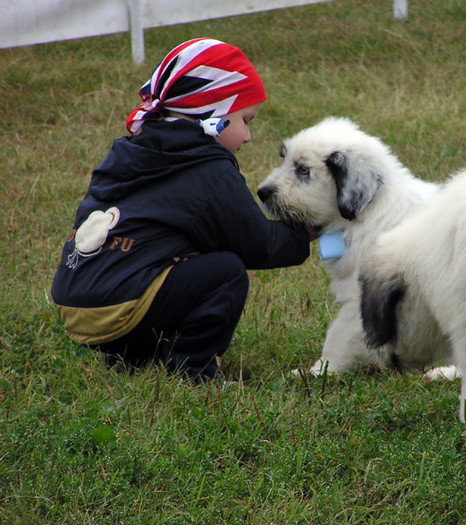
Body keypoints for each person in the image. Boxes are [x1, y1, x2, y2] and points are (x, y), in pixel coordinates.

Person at [51, 38, 313, 381]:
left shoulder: (132, 150)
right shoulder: (208, 169)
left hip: (74, 299)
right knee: (225, 271)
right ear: (213, 113)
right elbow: (257, 244)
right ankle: (193, 369)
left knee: (170, 260)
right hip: (120, 305)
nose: (248, 136)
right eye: (245, 120)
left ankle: (130, 358)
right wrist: (310, 230)